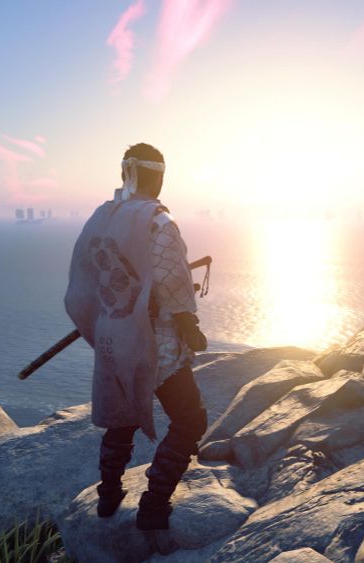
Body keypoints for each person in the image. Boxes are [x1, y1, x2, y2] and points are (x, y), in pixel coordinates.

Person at [64, 142, 208, 532]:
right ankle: (154, 504)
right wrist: (188, 326)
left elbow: (86, 279)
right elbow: (172, 280)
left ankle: (109, 495)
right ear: (155, 176)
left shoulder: (101, 216)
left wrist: (106, 317)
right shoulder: (157, 221)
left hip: (114, 335)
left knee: (122, 415)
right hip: (152, 340)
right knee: (190, 419)